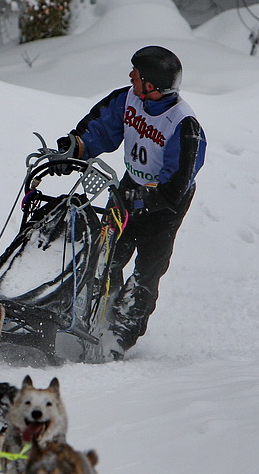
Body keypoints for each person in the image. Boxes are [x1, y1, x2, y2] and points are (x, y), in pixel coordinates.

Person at [56, 45, 207, 360]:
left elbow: (176, 183)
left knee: (145, 273)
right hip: (129, 188)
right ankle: (96, 320)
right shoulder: (128, 100)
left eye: (136, 73)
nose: (130, 76)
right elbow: (100, 130)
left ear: (151, 84)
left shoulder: (183, 124)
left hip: (165, 205)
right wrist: (74, 150)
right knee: (105, 258)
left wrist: (147, 198)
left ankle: (118, 339)